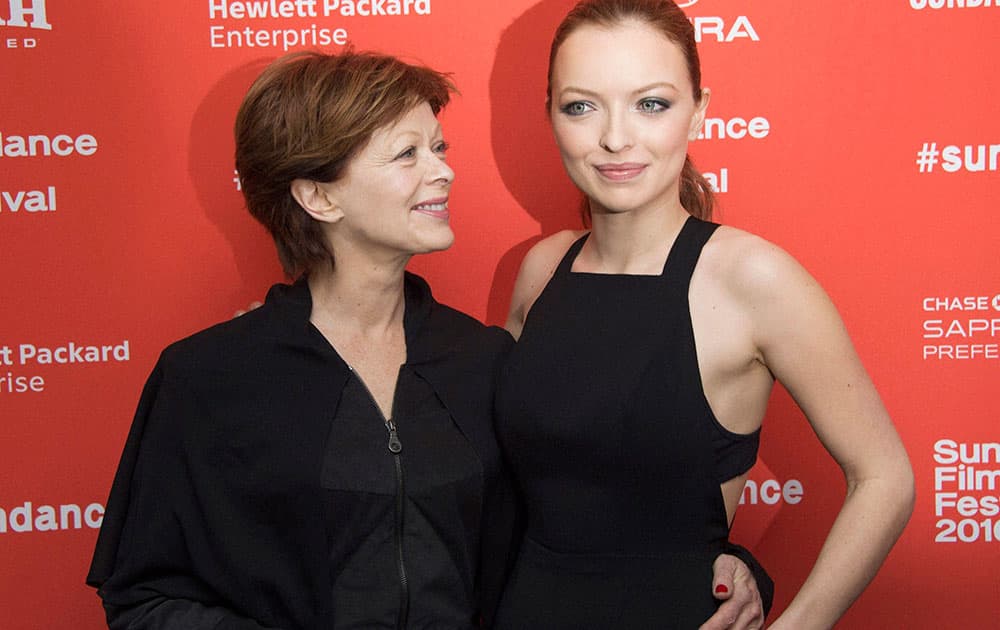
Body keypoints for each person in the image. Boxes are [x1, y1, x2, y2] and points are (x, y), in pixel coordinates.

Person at [86, 48, 767, 629]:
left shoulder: (485, 360)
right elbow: (145, 596)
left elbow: (581, 520)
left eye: (438, 147)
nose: (442, 171)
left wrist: (718, 561)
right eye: (407, 154)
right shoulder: (208, 377)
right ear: (319, 198)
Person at [495, 1, 915, 629]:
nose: (615, 136)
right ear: (550, 114)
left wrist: (798, 625)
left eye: (652, 104)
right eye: (581, 105)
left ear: (701, 109)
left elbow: (886, 476)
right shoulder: (542, 268)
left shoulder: (753, 279)